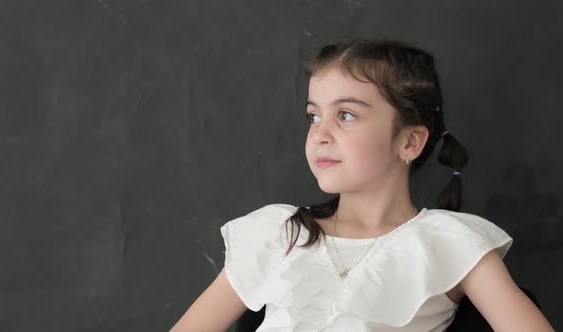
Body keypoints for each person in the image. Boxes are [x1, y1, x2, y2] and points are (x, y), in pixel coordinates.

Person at [170, 39, 555, 331]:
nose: (320, 133)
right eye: (313, 116)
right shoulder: (277, 234)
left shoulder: (452, 244)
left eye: (347, 115)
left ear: (409, 142)